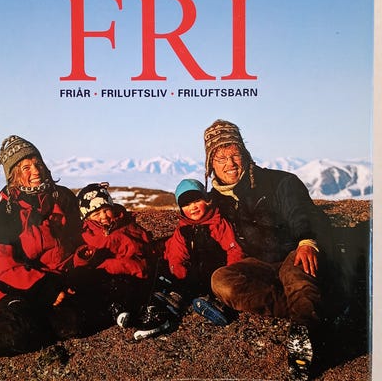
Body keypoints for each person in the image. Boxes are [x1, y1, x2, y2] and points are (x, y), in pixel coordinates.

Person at [203, 120, 333, 380]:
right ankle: (310, 306)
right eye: (221, 158)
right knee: (222, 281)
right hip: (258, 262)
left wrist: (307, 241)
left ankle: (305, 337)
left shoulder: (280, 182)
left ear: (245, 154)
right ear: (210, 165)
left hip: (292, 250)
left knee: (298, 273)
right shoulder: (216, 199)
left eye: (235, 154)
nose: (230, 164)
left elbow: (301, 212)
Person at [0, 135, 83, 362]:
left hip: (62, 284)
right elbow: (2, 268)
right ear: (13, 175)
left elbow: (80, 240)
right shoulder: (6, 213)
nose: (36, 171)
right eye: (26, 167)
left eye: (38, 163)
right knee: (16, 334)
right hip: (21, 290)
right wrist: (48, 289)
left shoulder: (64, 198)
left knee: (73, 324)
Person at [73, 182, 172, 340]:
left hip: (133, 273)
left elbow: (141, 248)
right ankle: (121, 310)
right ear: (87, 217)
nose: (104, 216)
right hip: (108, 277)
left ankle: (148, 316)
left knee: (136, 288)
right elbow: (81, 262)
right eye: (96, 214)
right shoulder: (86, 234)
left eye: (106, 210)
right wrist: (84, 257)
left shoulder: (127, 225)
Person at [159, 178, 244, 325]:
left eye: (196, 201)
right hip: (193, 275)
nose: (193, 207)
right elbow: (177, 257)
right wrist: (179, 279)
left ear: (207, 201)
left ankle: (219, 303)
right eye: (186, 204)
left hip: (217, 273)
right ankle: (179, 297)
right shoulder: (182, 229)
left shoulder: (218, 223)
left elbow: (234, 251)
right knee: (176, 274)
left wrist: (230, 275)